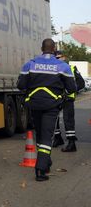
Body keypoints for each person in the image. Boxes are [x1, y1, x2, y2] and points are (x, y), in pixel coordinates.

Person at [18, 39, 76, 181]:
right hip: (51, 105)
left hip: (34, 105)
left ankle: (46, 161)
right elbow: (72, 88)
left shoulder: (30, 64)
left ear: (41, 48)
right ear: (54, 49)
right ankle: (41, 169)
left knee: (40, 134)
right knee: (46, 136)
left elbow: (20, 85)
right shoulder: (62, 66)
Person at [51, 50, 85, 152]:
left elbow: (81, 83)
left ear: (64, 58)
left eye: (59, 58)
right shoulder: (53, 69)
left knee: (68, 120)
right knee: (54, 119)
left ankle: (71, 143)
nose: (58, 60)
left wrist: (70, 90)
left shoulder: (72, 68)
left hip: (68, 98)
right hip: (56, 98)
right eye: (56, 58)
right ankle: (58, 138)